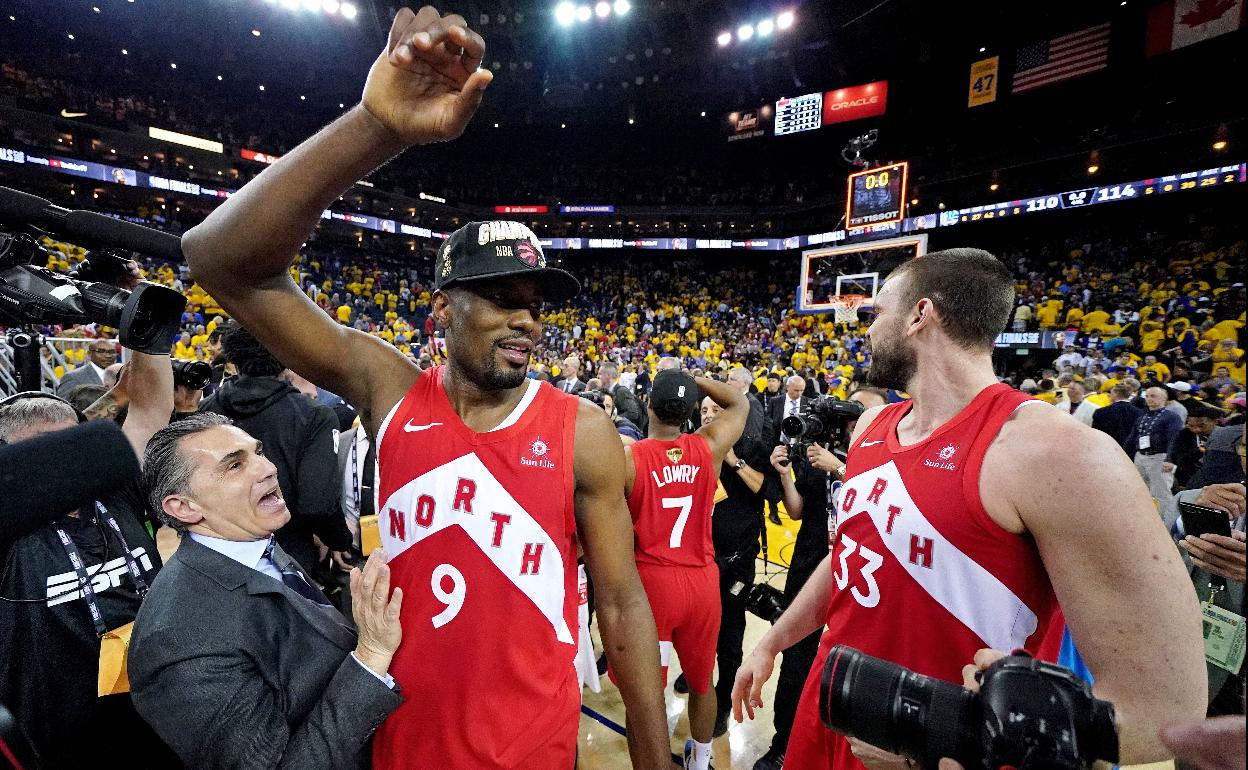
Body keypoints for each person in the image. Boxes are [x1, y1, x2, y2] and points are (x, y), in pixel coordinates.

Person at [178, 9, 671, 768]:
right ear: (442, 308)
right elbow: (219, 261)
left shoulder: (586, 430)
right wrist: (375, 128)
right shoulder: (387, 386)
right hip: (396, 741)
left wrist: (651, 755)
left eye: (534, 303)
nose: (525, 320)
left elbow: (623, 602)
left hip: (535, 752)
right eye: (502, 297)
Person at [730, 248, 1205, 770]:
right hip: (833, 707)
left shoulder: (1058, 453)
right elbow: (851, 556)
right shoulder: (871, 427)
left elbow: (1169, 711)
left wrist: (944, 730)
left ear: (920, 315)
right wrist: (772, 641)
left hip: (942, 753)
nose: (865, 330)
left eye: (877, 313)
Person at [129, 414, 404, 770]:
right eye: (234, 466)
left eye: (257, 452)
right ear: (183, 507)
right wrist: (371, 655)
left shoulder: (254, 543)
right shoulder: (178, 641)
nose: (267, 468)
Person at [0, 352, 177, 768]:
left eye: (73, 447)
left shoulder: (118, 491)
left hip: (157, 706)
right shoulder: (8, 532)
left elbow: (151, 407)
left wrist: (139, 321)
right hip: (57, 738)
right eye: (45, 452)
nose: (67, 467)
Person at [618, 371, 748, 770]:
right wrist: (695, 379)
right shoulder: (708, 447)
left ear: (648, 405)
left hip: (652, 586)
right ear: (692, 410)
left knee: (645, 695)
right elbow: (739, 403)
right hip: (701, 583)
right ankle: (701, 759)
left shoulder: (630, 458)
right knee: (701, 681)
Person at [754, 386, 888, 770]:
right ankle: (784, 742)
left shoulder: (885, 458)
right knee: (796, 660)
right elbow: (797, 512)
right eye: (854, 410)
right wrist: (785, 475)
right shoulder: (818, 451)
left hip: (863, 577)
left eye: (867, 411)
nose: (857, 417)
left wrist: (841, 468)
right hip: (811, 564)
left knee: (854, 664)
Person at [199, 324, 352, 576]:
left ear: (232, 358)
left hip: (219, 557)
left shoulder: (205, 411)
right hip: (287, 558)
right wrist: (339, 540)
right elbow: (318, 505)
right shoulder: (315, 416)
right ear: (287, 355)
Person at [1126, 386, 1186, 515]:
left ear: (1164, 398)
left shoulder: (1172, 416)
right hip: (1140, 456)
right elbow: (1132, 437)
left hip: (1159, 457)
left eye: (1153, 396)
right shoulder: (1142, 417)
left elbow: (1174, 439)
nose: (1149, 399)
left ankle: (1164, 520)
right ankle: (1143, 515)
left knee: (1161, 492)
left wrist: (1170, 460)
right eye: (1147, 396)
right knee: (1140, 489)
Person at [1091, 383, 1142, 448]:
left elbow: (1096, 434)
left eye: (1111, 393)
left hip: (1107, 448)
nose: (1109, 395)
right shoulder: (1139, 413)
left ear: (1116, 393)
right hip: (1129, 451)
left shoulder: (1101, 412)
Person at [767, 375, 808, 448]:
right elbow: (768, 423)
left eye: (802, 390)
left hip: (800, 447)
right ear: (788, 387)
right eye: (796, 390)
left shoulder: (808, 402)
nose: (799, 394)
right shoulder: (775, 401)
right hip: (778, 445)